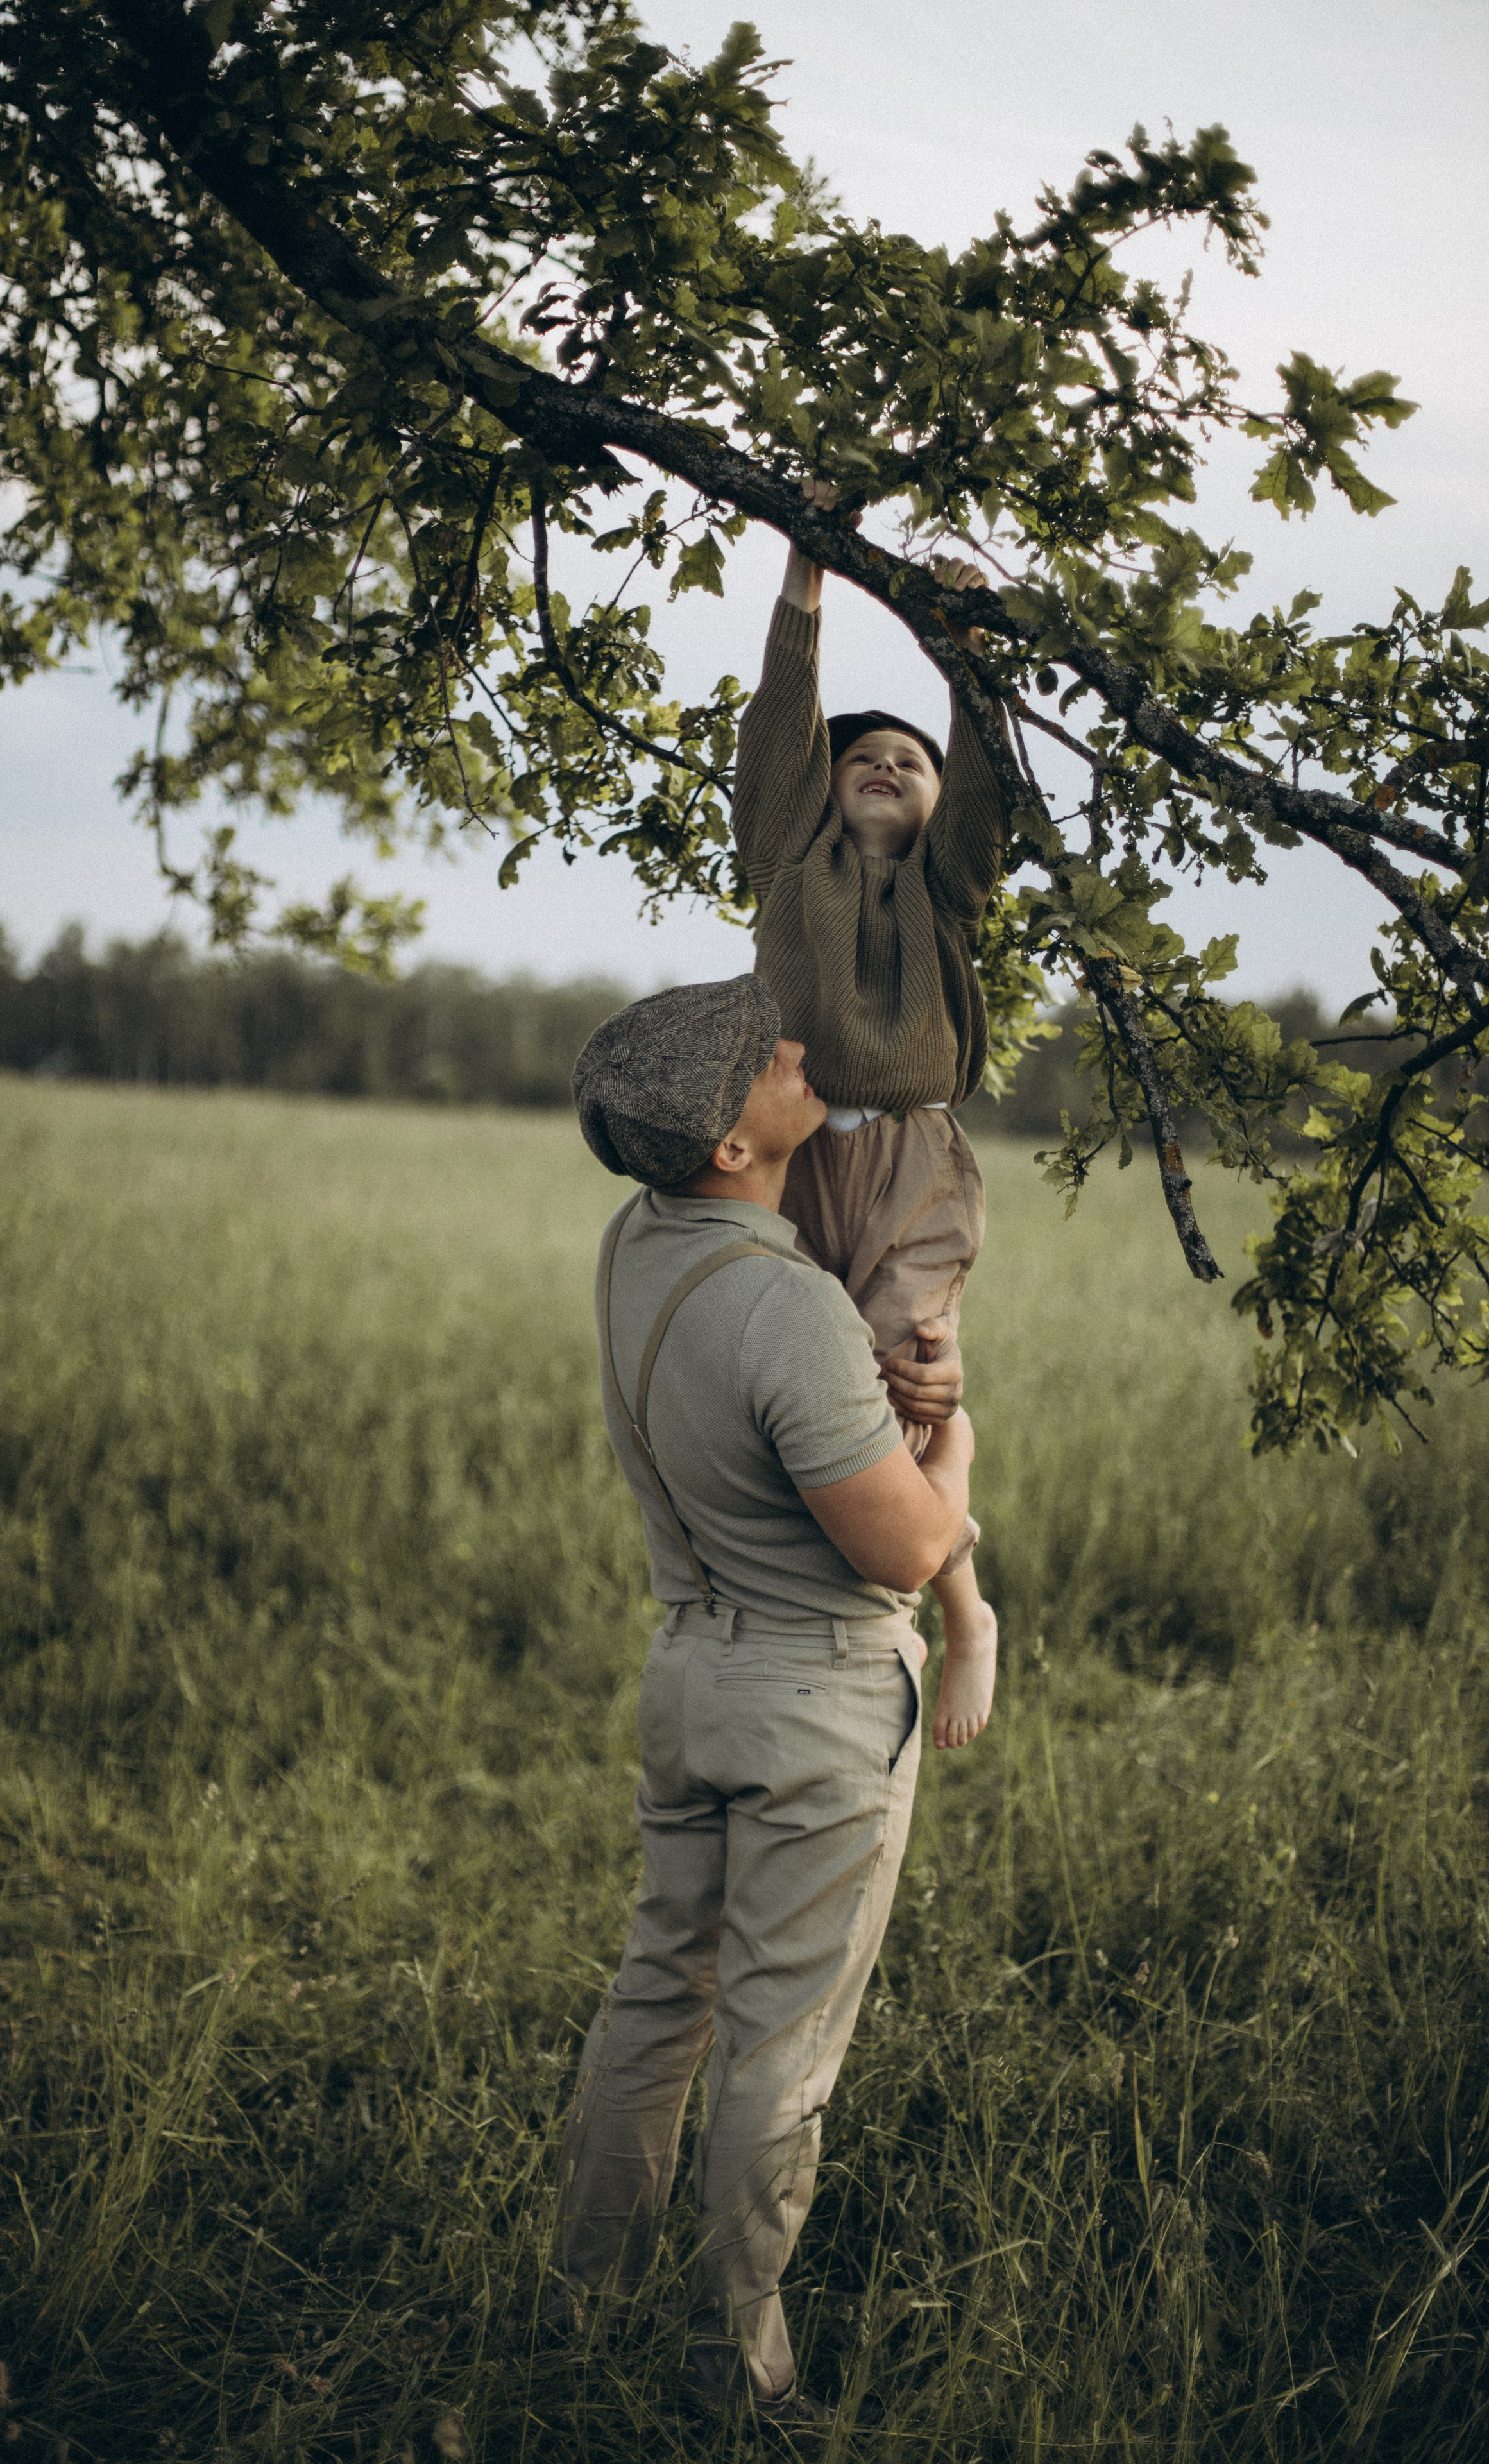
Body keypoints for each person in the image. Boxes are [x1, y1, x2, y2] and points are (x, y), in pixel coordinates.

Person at [556, 977, 976, 2432]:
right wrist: (955, 1448)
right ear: (730, 1145)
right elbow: (910, 1549)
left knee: (656, 2001)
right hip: (813, 1703)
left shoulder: (634, 1243)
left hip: (686, 1676)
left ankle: (580, 2306)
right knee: (779, 2051)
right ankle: (738, 2375)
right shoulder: (787, 1308)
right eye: (766, 1058)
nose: (796, 1052)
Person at [733, 477, 1008, 1754]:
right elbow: (781, 729)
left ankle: (957, 1604)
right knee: (799, 1376)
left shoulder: (952, 895)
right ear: (823, 793)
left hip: (909, 1162)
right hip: (788, 1151)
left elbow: (986, 791)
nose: (886, 767)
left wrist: (966, 668)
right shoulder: (791, 865)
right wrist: (804, 573)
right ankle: (818, 1586)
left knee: (902, 1372)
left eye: (910, 762)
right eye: (861, 760)